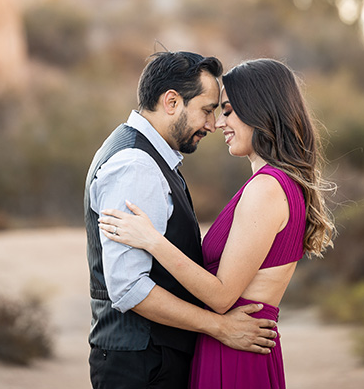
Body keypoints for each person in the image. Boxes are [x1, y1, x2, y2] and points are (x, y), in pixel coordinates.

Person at [99, 58, 335, 388]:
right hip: (233, 341)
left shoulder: (267, 188)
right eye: (214, 111)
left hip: (236, 348)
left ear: (259, 110)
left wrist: (152, 240)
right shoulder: (276, 184)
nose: (218, 123)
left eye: (227, 110)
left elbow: (223, 296)